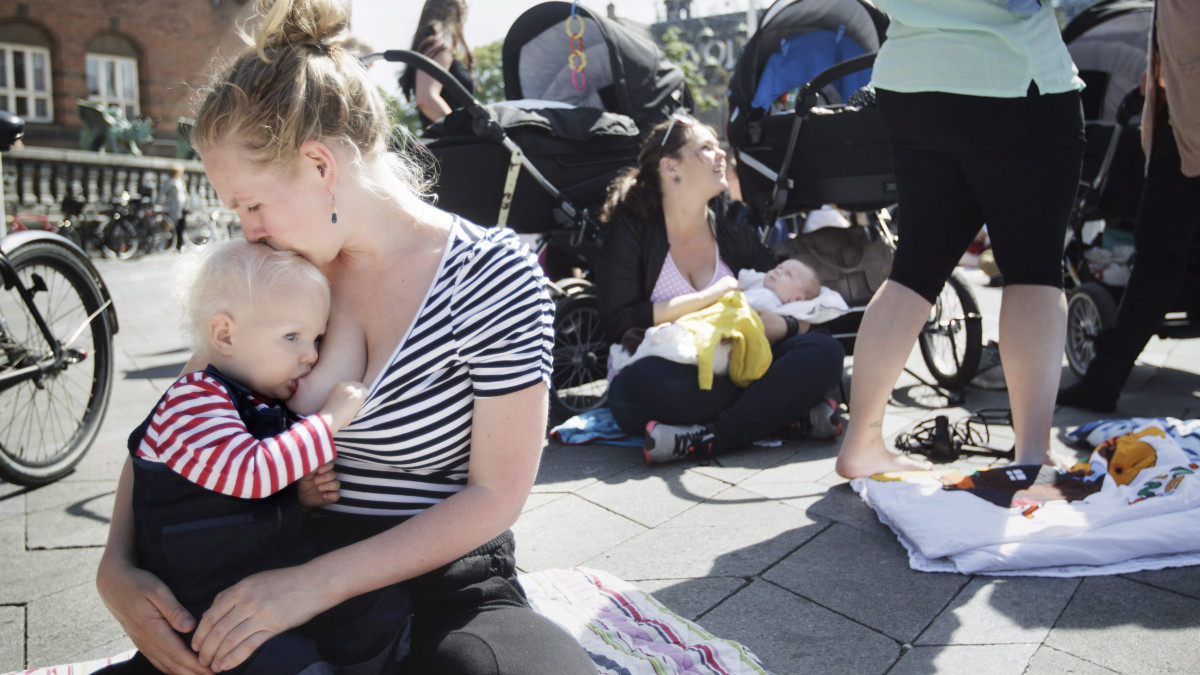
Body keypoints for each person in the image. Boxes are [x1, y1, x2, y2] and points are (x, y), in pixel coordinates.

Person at [95, 1, 595, 674]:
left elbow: (496, 495)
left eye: (251, 203)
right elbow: (181, 416)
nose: (245, 229)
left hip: (436, 586)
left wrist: (313, 584)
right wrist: (117, 569)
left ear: (320, 164)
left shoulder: (491, 274)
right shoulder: (277, 275)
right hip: (263, 565)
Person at [102, 241, 408, 674]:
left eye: (317, 339)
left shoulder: (258, 401)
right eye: (292, 337)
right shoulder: (192, 401)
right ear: (225, 334)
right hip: (207, 608)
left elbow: (246, 488)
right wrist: (329, 420)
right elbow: (251, 472)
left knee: (376, 609)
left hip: (265, 577)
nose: (311, 355)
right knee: (287, 665)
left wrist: (296, 496)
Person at [835, 0, 1086, 479]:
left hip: (912, 81)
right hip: (1014, 76)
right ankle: (1032, 452)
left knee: (914, 270)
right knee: (1033, 270)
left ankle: (861, 442)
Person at [597, 113, 846, 465]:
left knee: (824, 352)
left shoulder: (732, 236)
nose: (722, 156)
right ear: (671, 167)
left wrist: (787, 326)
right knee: (641, 388)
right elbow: (617, 321)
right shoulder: (632, 232)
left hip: (741, 365)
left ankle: (711, 437)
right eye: (706, 148)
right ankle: (781, 414)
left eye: (719, 147)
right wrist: (706, 299)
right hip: (673, 372)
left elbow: (802, 301)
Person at [1057, 0, 1200, 413]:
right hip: (1178, 108)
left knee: (1159, 254)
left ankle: (1104, 381)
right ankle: (1103, 380)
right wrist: (1158, 69)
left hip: (1185, 115)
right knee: (1158, 252)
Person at [399, 0, 473, 128]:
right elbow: (426, 98)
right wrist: (460, 131)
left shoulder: (427, 47)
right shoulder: (438, 47)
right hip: (451, 143)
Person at [159, 165, 190, 251]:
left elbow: (184, 194)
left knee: (180, 226)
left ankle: (179, 245)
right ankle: (169, 245)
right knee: (171, 225)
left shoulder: (180, 182)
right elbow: (161, 193)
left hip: (181, 207)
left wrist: (187, 204)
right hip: (173, 207)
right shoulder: (170, 182)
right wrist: (160, 203)